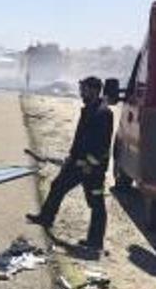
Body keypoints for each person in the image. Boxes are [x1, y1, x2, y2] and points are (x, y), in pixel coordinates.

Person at [26, 76, 113, 254]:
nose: (82, 91)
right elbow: (81, 139)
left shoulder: (103, 113)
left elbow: (102, 144)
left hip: (92, 169)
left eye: (85, 88)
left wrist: (89, 164)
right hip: (77, 164)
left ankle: (95, 242)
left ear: (94, 90)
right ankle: (46, 218)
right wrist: (72, 157)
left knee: (96, 203)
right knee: (57, 186)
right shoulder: (89, 109)